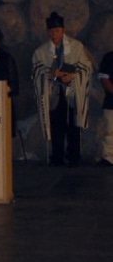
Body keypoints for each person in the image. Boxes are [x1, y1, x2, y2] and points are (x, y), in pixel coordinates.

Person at [32, 12, 93, 167]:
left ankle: (74, 155)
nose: (54, 34)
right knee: (56, 125)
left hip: (72, 92)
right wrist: (52, 74)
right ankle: (57, 156)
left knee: (73, 124)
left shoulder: (76, 46)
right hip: (54, 93)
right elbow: (37, 71)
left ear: (63, 30)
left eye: (57, 31)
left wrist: (73, 75)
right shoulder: (42, 51)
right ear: (47, 32)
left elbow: (86, 67)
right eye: (51, 31)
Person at [97, 51, 113, 167]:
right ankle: (108, 157)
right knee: (109, 130)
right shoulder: (109, 57)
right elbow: (104, 78)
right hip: (112, 102)